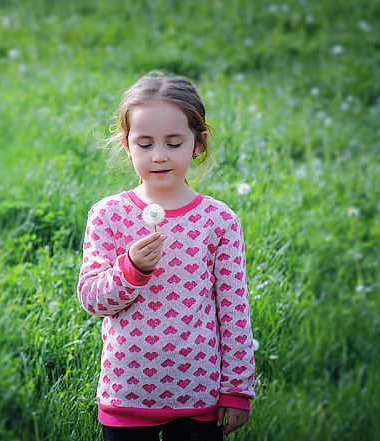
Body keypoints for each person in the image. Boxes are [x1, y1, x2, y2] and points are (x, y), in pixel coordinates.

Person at [77, 70, 256, 441]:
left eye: (174, 143)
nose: (159, 157)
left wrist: (236, 389)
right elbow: (92, 299)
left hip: (199, 396)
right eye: (145, 144)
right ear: (127, 145)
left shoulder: (218, 220)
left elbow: (234, 308)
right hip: (127, 393)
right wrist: (131, 270)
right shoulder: (108, 215)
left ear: (199, 143)